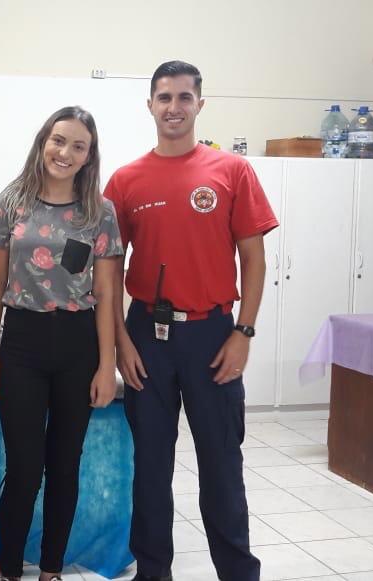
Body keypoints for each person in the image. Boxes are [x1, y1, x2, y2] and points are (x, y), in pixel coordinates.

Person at [104, 61, 277, 581]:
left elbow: (254, 259)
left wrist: (244, 332)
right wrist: (120, 342)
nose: (174, 107)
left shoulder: (231, 171)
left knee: (222, 466)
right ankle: (153, 572)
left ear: (200, 104)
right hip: (146, 338)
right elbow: (107, 271)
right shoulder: (125, 181)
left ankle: (238, 573)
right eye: (164, 97)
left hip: (213, 335)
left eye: (184, 97)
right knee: (151, 469)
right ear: (150, 105)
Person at [0, 106, 123, 581]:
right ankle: (11, 569)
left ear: (89, 156)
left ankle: (52, 569)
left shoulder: (100, 212)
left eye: (78, 146)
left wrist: (106, 366)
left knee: (64, 466)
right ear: (44, 142)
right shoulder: (12, 201)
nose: (65, 152)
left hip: (78, 345)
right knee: (24, 469)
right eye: (58, 140)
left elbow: (107, 294)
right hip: (22, 343)